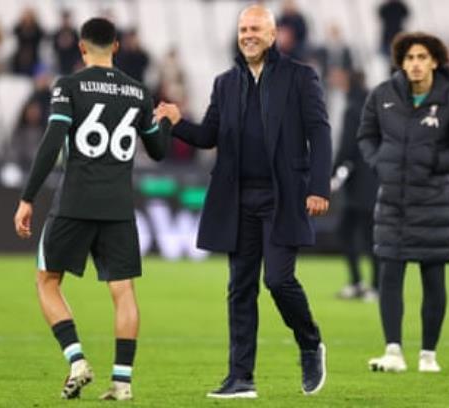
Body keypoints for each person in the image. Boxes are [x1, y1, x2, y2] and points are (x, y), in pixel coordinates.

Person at [155, 4, 331, 398]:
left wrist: (319, 187)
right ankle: (240, 377)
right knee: (240, 288)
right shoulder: (224, 83)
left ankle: (309, 342)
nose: (248, 34)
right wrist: (176, 122)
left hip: (283, 196)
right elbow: (209, 136)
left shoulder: (301, 77)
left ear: (273, 35)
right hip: (238, 198)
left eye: (255, 28)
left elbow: (320, 133)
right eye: (242, 29)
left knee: (279, 280)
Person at [13, 17, 171, 401]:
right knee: (123, 290)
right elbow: (159, 151)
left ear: (82, 48)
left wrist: (27, 197)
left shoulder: (68, 86)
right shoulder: (138, 92)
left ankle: (77, 360)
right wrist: (166, 121)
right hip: (118, 206)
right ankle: (122, 382)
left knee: (47, 281)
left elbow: (52, 144)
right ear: (116, 46)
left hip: (75, 203)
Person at [357, 32, 449, 373]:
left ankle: (429, 355)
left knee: (433, 278)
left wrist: (436, 163)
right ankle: (393, 352)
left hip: (433, 202)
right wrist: (380, 161)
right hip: (392, 203)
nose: (415, 64)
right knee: (390, 275)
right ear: (401, 62)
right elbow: (366, 136)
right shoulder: (382, 95)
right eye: (409, 57)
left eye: (422, 57)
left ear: (435, 62)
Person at [331, 71, 379, 301]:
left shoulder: (353, 109)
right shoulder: (374, 106)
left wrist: (331, 173)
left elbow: (347, 146)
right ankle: (367, 284)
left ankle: (366, 284)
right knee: (367, 233)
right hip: (377, 177)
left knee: (350, 232)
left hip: (360, 181)